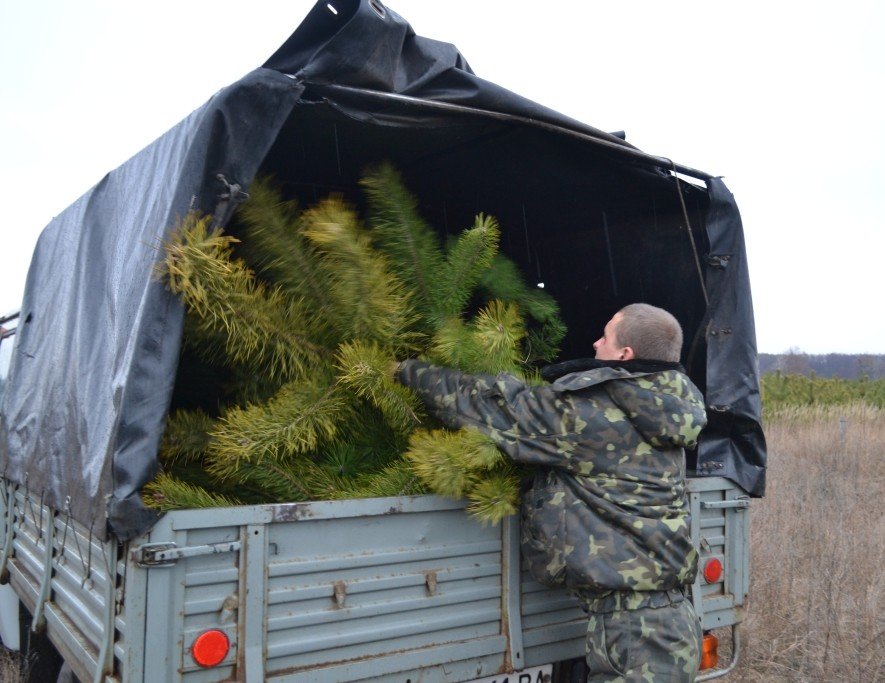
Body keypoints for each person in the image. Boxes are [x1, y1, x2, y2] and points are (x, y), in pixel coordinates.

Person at [394, 303, 706, 682]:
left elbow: (492, 407)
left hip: (638, 635)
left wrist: (403, 370)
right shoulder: (664, 409)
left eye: (605, 335)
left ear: (625, 354)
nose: (594, 342)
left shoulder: (595, 416)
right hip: (665, 620)